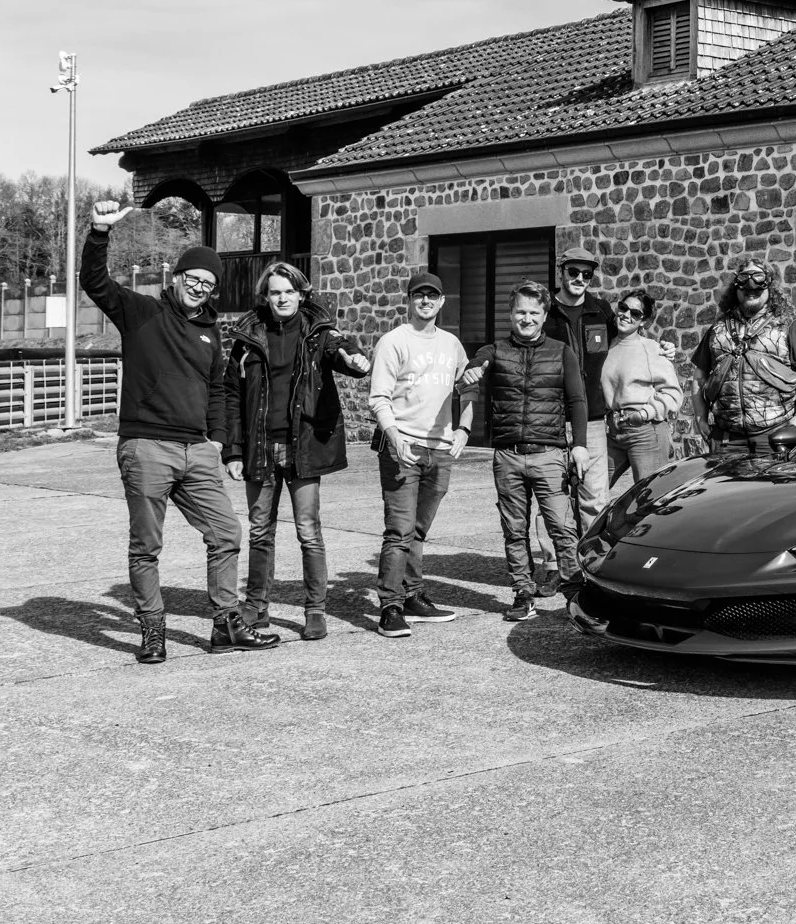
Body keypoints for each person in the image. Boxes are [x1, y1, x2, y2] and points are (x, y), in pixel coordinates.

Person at [80, 199, 277, 662]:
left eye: (208, 284)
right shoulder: (141, 312)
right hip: (147, 446)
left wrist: (217, 442)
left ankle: (226, 625)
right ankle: (152, 629)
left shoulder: (211, 334)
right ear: (177, 277)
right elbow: (94, 282)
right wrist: (99, 232)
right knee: (147, 545)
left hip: (197, 451)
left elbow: (216, 390)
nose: (199, 287)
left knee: (226, 533)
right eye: (193, 278)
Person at [220, 260, 371, 642]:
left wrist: (353, 353)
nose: (282, 298)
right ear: (265, 297)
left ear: (302, 294)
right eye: (275, 292)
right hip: (260, 446)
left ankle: (315, 610)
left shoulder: (319, 334)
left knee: (308, 530)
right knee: (259, 531)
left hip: (302, 445)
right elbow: (232, 396)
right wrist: (233, 452)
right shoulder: (247, 337)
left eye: (289, 291)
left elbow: (348, 359)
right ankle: (256, 607)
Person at [465, 281, 591, 622]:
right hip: (507, 454)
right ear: (510, 313)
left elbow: (577, 402)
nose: (527, 318)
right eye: (520, 311)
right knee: (514, 529)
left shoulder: (562, 351)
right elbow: (478, 362)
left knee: (562, 528)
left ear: (544, 315)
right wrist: (474, 367)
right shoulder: (495, 350)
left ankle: (575, 592)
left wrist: (579, 445)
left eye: (534, 312)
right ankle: (522, 592)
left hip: (549, 454)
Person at [367, 269, 472, 640]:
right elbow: (379, 397)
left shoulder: (452, 344)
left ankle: (413, 596)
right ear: (409, 300)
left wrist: (464, 428)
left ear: (442, 302)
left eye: (432, 295)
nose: (425, 301)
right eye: (418, 295)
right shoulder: (393, 342)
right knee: (399, 531)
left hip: (440, 450)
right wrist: (393, 437)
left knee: (419, 531)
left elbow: (468, 387)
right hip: (403, 447)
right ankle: (390, 606)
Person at [535, 246, 620, 590]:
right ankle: (554, 566)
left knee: (593, 498)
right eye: (574, 272)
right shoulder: (546, 310)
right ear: (562, 272)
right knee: (551, 498)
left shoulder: (600, 310)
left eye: (587, 274)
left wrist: (659, 350)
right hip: (551, 416)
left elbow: (624, 342)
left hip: (594, 417)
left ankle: (591, 566)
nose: (580, 280)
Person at [692, 259, 796, 456]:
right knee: (724, 487)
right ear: (736, 289)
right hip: (726, 439)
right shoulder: (718, 329)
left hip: (774, 436)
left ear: (770, 288)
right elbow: (699, 375)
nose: (751, 292)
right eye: (745, 288)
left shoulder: (788, 324)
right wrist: (701, 417)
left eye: (758, 289)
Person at [600, 288, 685, 484]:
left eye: (635, 313)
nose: (626, 315)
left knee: (648, 496)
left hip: (645, 430)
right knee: (593, 488)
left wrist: (644, 414)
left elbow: (672, 393)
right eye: (623, 308)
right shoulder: (606, 346)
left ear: (644, 321)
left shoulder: (652, 349)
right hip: (614, 431)